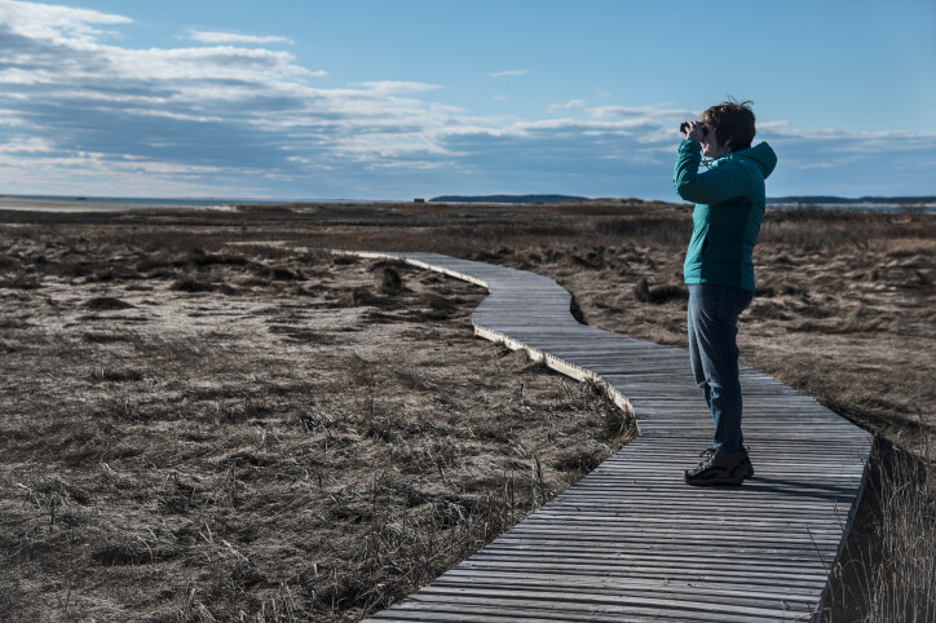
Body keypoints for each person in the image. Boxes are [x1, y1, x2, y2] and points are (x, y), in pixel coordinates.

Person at [673, 99, 777, 486]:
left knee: (719, 375)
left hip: (718, 282)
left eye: (707, 132)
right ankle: (732, 450)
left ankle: (727, 455)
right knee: (706, 373)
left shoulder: (740, 170)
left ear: (728, 138)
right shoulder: (733, 169)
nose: (701, 139)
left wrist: (687, 146)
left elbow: (687, 185)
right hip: (710, 280)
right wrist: (701, 146)